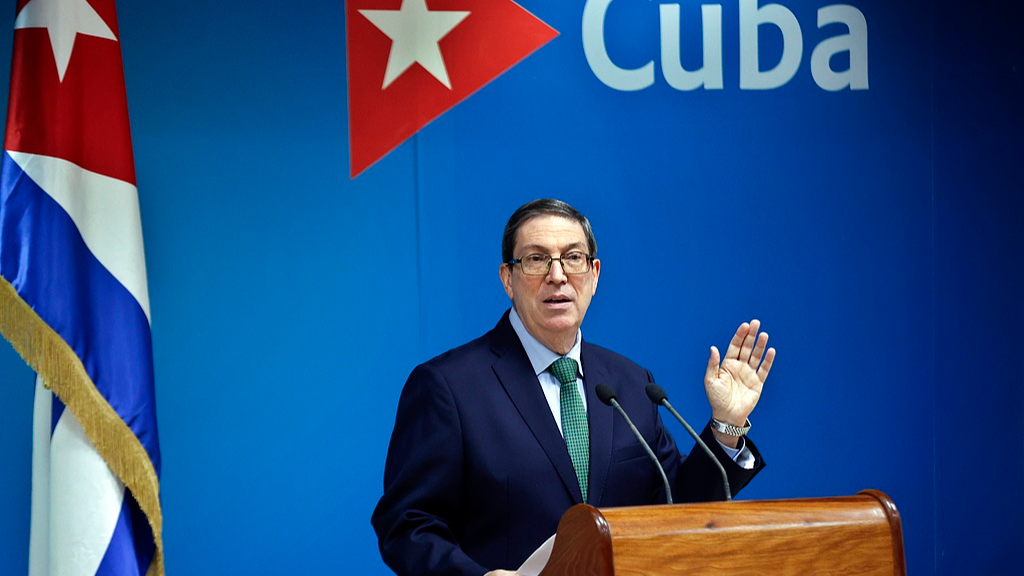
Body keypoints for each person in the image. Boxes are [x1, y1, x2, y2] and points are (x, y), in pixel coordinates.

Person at [371, 199, 776, 576]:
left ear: (594, 275)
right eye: (536, 259)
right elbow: (406, 524)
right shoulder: (448, 386)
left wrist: (726, 424)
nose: (558, 275)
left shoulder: (632, 383)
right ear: (507, 278)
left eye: (573, 258)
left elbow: (676, 511)